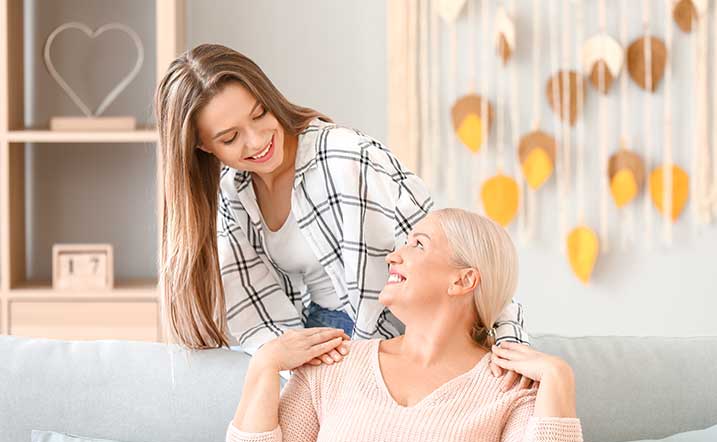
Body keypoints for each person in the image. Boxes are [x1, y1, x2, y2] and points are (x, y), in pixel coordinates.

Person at [226, 208, 585, 442]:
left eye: (418, 245)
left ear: (463, 280)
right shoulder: (332, 367)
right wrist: (265, 365)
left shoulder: (507, 384)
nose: (393, 256)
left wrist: (558, 379)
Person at [154, 44, 528, 379]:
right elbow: (261, 319)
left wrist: (508, 346)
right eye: (230, 138)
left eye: (260, 113)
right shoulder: (232, 195)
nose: (257, 140)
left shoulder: (348, 156)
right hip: (319, 340)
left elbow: (456, 258)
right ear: (203, 148)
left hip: (402, 337)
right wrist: (290, 370)